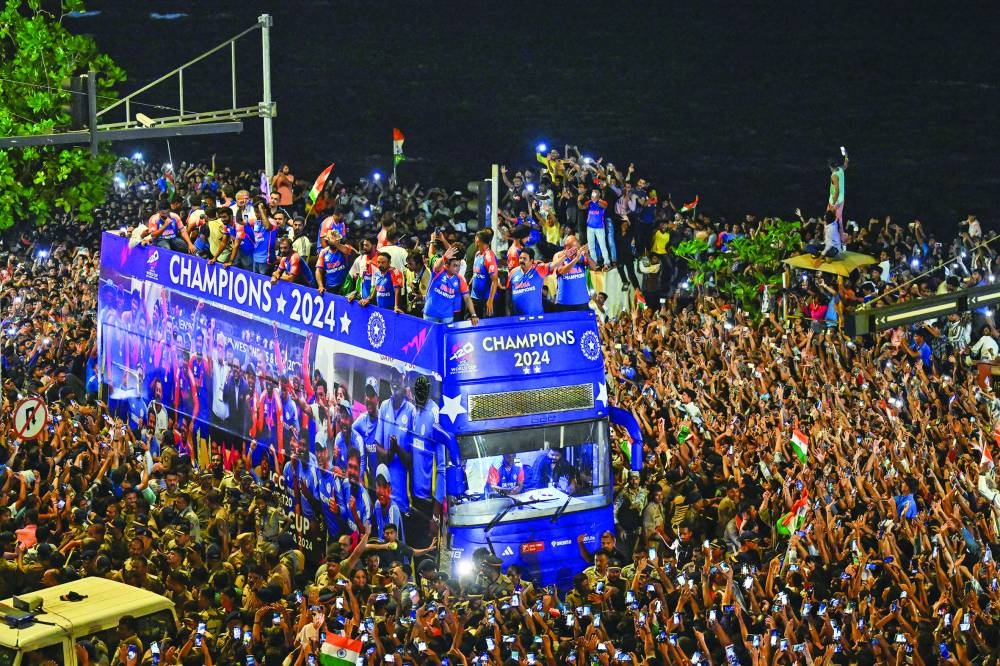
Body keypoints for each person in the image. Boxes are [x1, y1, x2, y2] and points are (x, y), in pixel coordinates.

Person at [422, 246, 479, 325]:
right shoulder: (438, 271)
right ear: (447, 265)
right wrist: (444, 258)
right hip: (431, 313)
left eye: (459, 266)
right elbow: (437, 265)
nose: (458, 268)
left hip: (447, 316)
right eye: (455, 266)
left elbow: (467, 298)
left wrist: (473, 314)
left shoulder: (460, 279)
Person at [552, 235, 597, 311]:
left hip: (582, 301)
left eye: (578, 248)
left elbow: (594, 267)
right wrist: (575, 259)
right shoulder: (558, 255)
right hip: (564, 302)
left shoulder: (582, 256)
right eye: (574, 249)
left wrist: (586, 254)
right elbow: (561, 271)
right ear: (566, 247)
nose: (577, 251)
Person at [506, 246, 549, 316]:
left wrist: (565, 256)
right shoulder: (513, 273)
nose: (521, 260)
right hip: (517, 316)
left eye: (524, 259)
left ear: (531, 260)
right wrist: (508, 311)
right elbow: (508, 292)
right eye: (520, 258)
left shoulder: (538, 270)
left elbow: (553, 265)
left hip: (537, 316)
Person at [470, 230, 500, 317]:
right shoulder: (477, 254)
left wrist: (490, 300)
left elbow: (494, 280)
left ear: (479, 240)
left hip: (486, 299)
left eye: (476, 238)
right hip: (475, 297)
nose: (474, 240)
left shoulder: (489, 257)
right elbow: (476, 272)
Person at [314, 231, 353, 295]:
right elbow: (318, 270)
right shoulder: (323, 252)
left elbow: (346, 250)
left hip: (344, 285)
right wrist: (320, 286)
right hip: (330, 287)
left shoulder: (344, 248)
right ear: (327, 241)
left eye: (338, 240)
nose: (335, 241)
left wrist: (336, 243)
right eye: (332, 240)